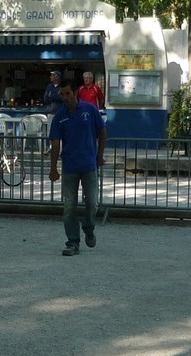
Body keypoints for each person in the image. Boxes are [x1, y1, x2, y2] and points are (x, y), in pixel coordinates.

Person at [48, 80, 106, 256]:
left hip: (89, 165)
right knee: (69, 206)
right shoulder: (60, 116)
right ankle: (72, 241)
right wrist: (53, 167)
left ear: (74, 93)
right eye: (62, 95)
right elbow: (55, 142)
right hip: (70, 166)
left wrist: (100, 155)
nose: (64, 97)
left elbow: (102, 132)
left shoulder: (89, 110)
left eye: (67, 93)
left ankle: (88, 227)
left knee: (91, 203)